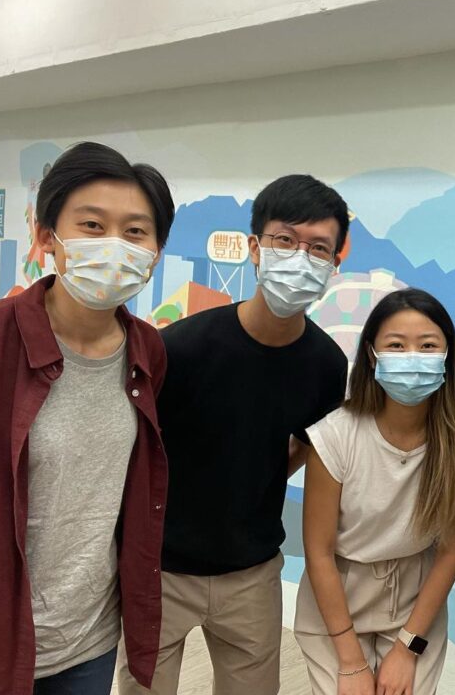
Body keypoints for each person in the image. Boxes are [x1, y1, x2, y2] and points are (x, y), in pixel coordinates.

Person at [0, 142, 175, 695]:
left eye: (135, 232)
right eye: (92, 225)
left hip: (88, 640)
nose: (114, 244)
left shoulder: (147, 351)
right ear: (46, 238)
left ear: (155, 251)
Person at [117, 175, 349, 695]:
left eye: (318, 248)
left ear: (334, 265)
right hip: (162, 569)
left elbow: (311, 444)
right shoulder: (182, 348)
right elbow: (136, 447)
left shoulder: (326, 365)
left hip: (251, 571)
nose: (299, 257)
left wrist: (261, 470)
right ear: (254, 248)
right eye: (285, 240)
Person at [296, 288, 455, 695]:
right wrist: (350, 662)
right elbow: (318, 552)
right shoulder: (335, 436)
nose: (412, 357)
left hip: (415, 596)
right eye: (396, 345)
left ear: (447, 355)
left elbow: (451, 550)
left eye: (427, 345)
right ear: (372, 354)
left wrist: (408, 647)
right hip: (337, 590)